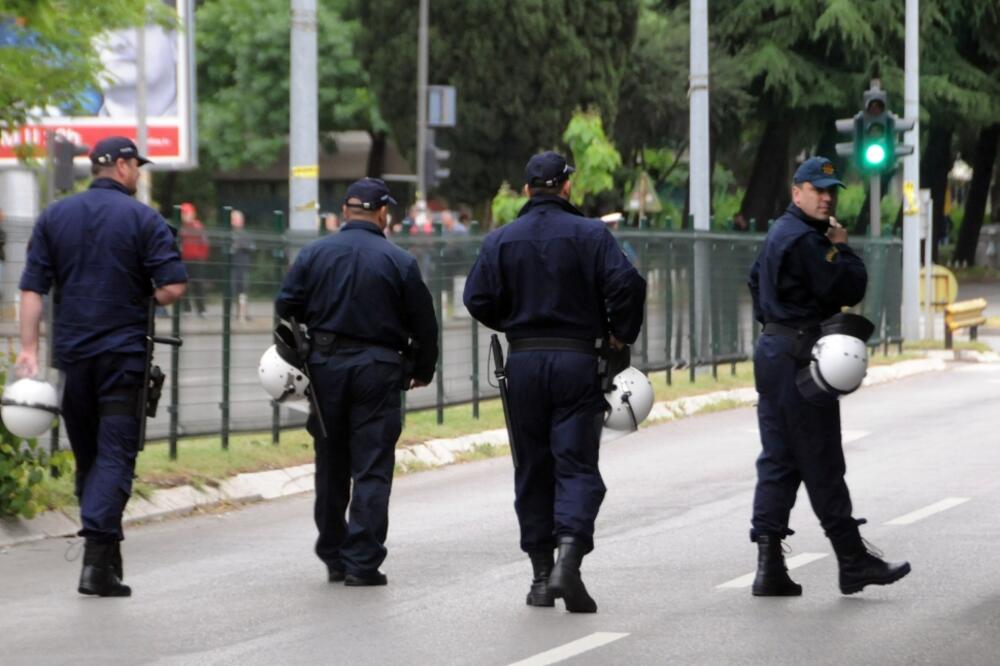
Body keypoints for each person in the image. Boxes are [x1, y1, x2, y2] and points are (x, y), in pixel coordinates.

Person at [463, 151, 646, 613]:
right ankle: (570, 558)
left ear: (527, 191)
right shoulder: (592, 234)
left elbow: (476, 298)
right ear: (566, 187)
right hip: (576, 360)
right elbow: (628, 284)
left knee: (532, 466)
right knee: (576, 466)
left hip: (523, 361)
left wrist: (514, 321)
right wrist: (618, 333)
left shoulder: (501, 239)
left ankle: (542, 576)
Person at [16, 136, 187, 597]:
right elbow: (172, 287)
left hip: (71, 357)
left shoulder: (54, 216)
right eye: (137, 166)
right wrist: (142, 297)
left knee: (90, 456)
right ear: (126, 167)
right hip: (122, 358)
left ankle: (107, 563)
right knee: (115, 454)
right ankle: (96, 558)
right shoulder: (144, 219)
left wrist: (28, 349)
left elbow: (32, 288)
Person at [747, 156, 910, 597]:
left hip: (774, 349)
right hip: (800, 352)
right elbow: (849, 287)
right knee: (820, 458)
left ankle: (769, 566)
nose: (825, 197)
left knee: (779, 458)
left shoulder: (777, 234)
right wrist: (843, 246)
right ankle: (852, 560)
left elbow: (753, 282)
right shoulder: (807, 239)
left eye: (830, 190)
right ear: (795, 191)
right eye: (817, 189)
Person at [275, 177, 438, 587]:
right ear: (382, 212)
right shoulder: (399, 261)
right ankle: (362, 562)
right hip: (379, 370)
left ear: (346, 212)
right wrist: (422, 368)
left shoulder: (314, 254)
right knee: (371, 467)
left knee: (331, 463)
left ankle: (333, 554)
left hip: (325, 368)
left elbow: (285, 307)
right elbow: (424, 324)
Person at [179, 202, 209, 317]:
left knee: (198, 284)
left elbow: (205, 244)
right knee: (184, 285)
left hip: (197, 260)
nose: (186, 216)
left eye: (188, 213)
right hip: (184, 260)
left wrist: (202, 257)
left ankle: (201, 309)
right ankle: (186, 308)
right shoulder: (180, 227)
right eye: (184, 213)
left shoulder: (198, 227)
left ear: (193, 214)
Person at [229, 209, 256, 323]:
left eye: (239, 219)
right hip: (232, 266)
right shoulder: (229, 234)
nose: (237, 222)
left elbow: (252, 247)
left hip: (243, 266)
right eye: (235, 219)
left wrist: (240, 245)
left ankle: (243, 314)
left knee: (243, 291)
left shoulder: (246, 234)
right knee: (233, 290)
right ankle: (234, 313)